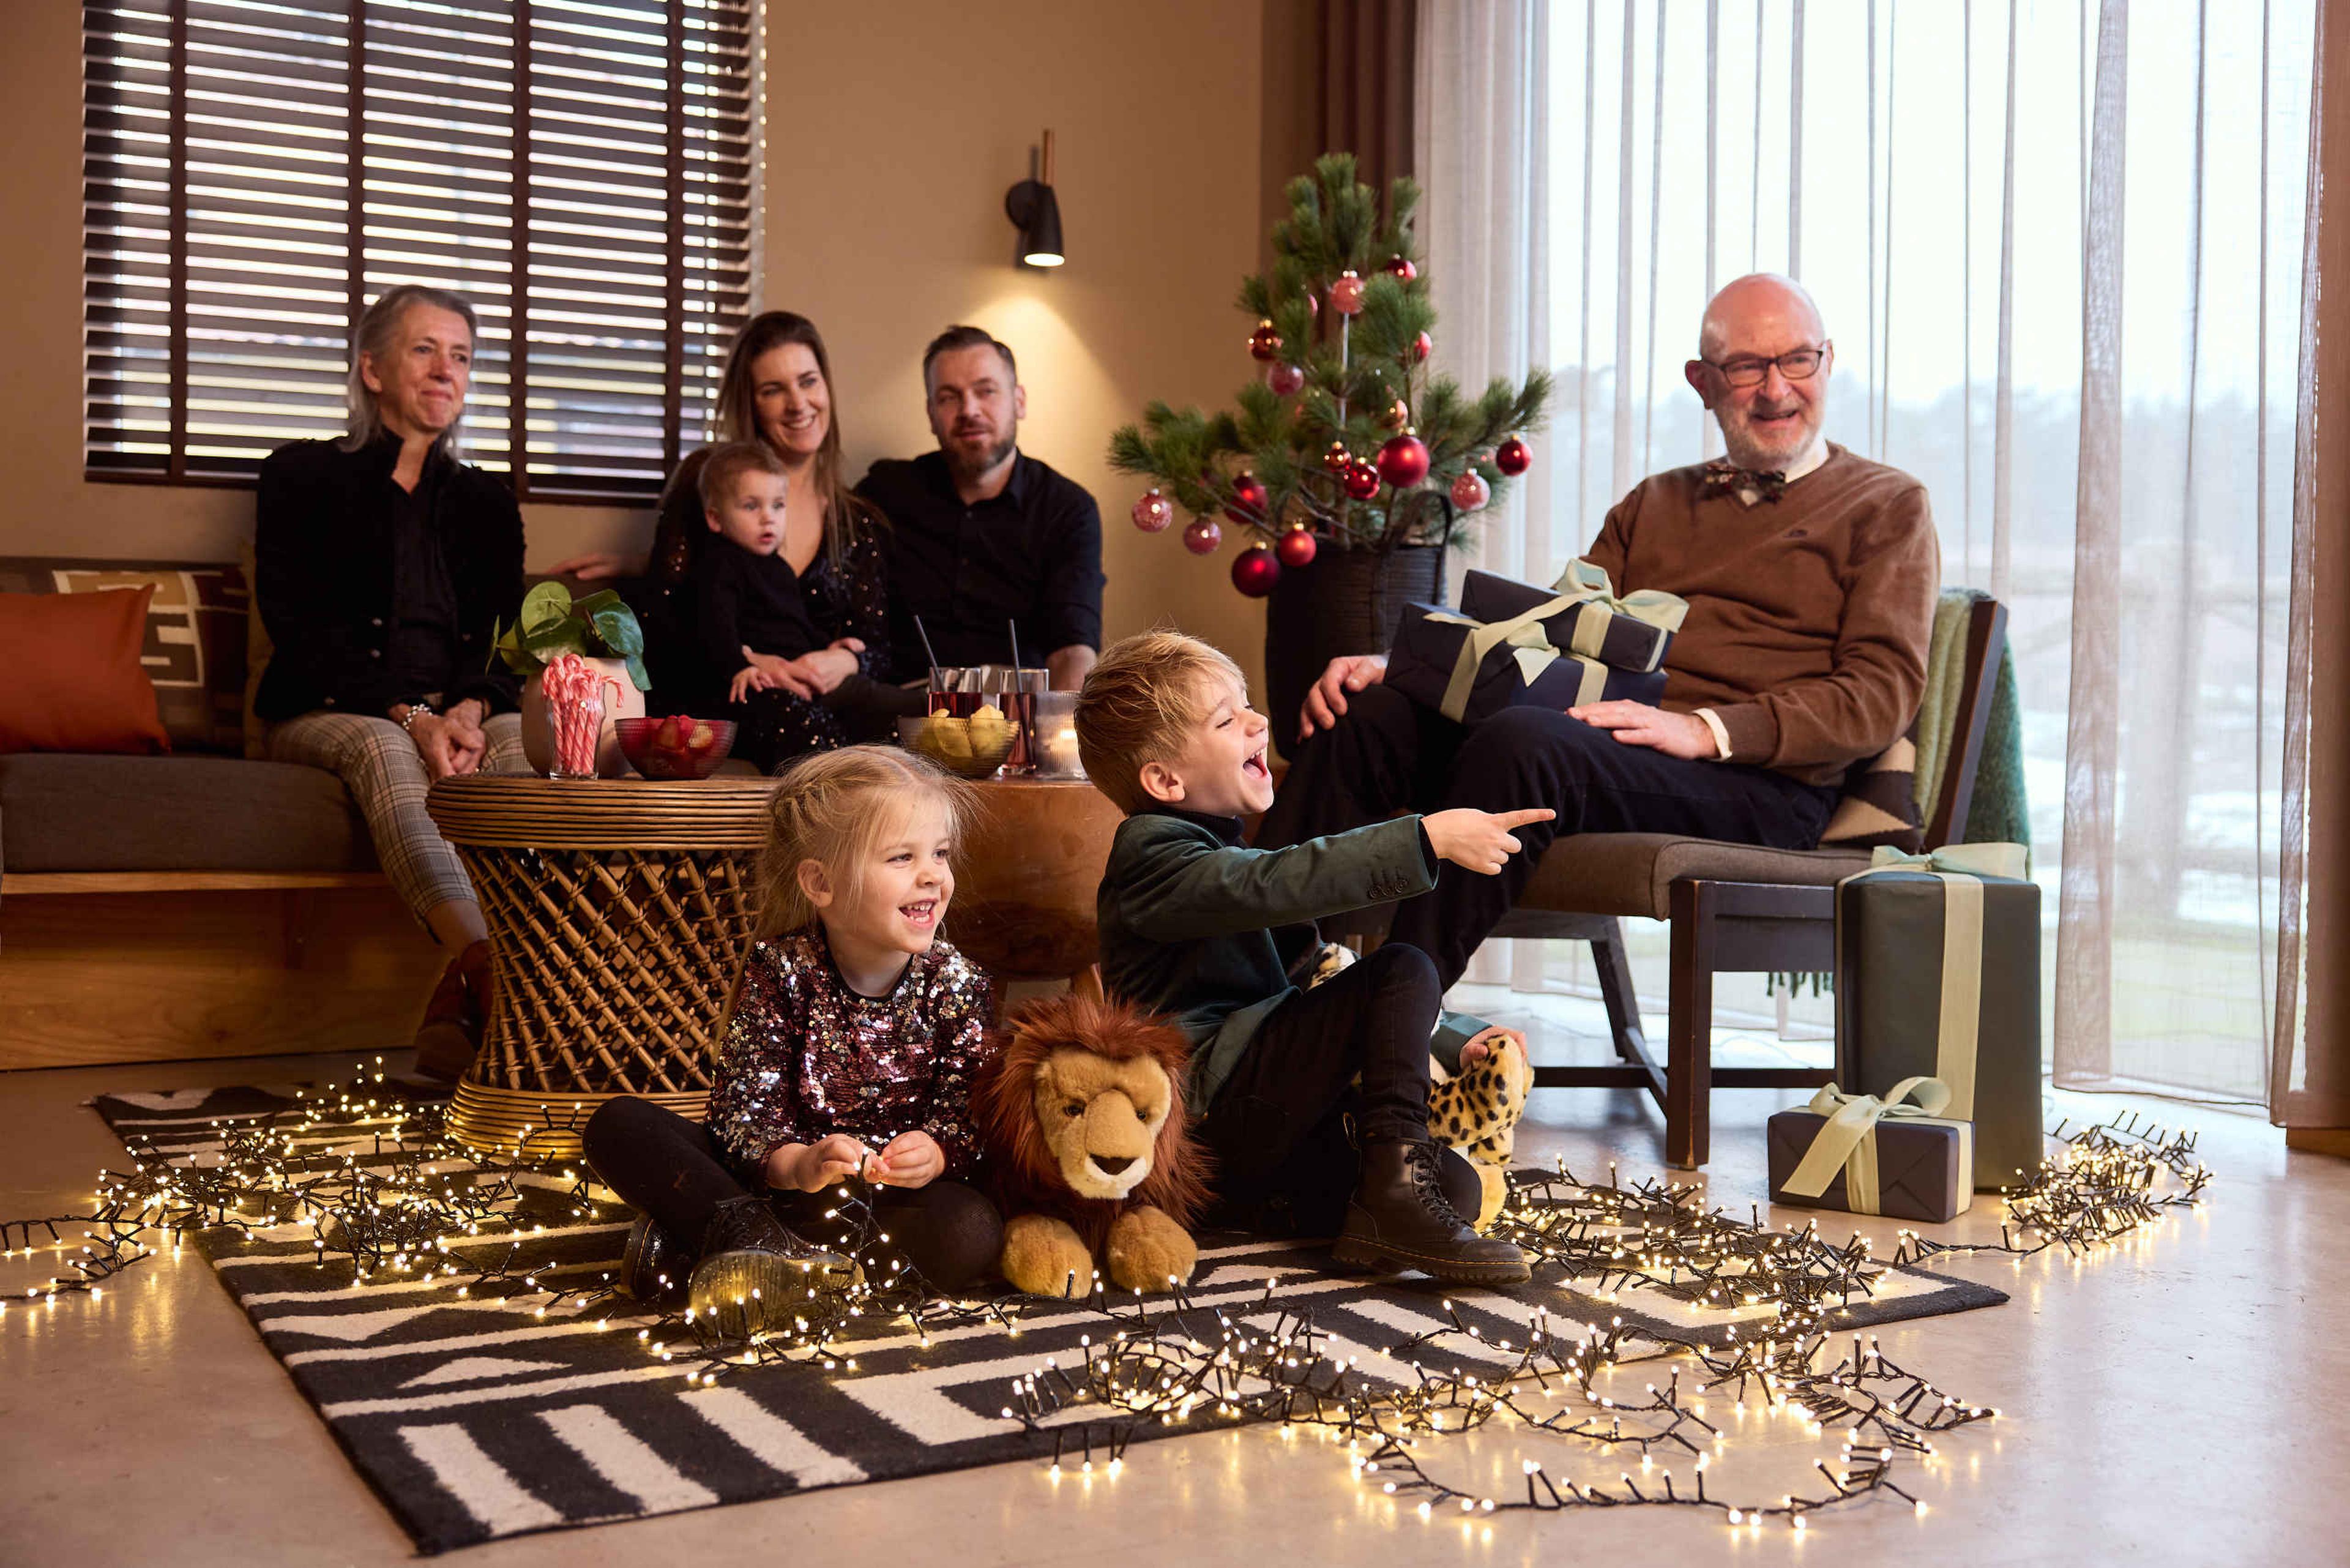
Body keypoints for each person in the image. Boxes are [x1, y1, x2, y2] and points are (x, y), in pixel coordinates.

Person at [1258, 274, 1941, 988]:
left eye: (1797, 359)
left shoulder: (1887, 505)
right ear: (1703, 382)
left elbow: (1879, 693)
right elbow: (1550, 633)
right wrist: (1401, 665)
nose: (1776, 388)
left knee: (1525, 742)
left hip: (1762, 784)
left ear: (1826, 363)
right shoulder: (1655, 503)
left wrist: (1707, 729)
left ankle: (1383, 1023)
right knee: (1368, 717)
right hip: (1609, 748)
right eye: (1746, 368)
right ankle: (1239, 1000)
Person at [1076, 632, 1547, 1286]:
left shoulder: (1224, 852)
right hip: (1202, 1117)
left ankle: (1334, 1202)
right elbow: (1275, 882)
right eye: (1228, 719)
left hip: (1257, 1120)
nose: (1258, 722)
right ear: (1165, 780)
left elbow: (1324, 973)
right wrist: (1426, 837)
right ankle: (1392, 1201)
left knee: (1459, 1188)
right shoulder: (1150, 858)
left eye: (1248, 706)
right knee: (1405, 964)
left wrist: (1456, 1036)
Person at [581, 747, 1005, 1334]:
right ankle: (755, 1243)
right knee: (618, 1124)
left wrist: (936, 1151)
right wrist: (797, 1163)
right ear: (821, 883)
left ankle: (711, 1250)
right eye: (902, 857)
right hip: (776, 1187)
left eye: (939, 854)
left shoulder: (959, 983)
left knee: (972, 1230)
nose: (933, 874)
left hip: (877, 1205)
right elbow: (741, 1111)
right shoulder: (782, 971)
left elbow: (971, 1112)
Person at [253, 283, 525, 1080]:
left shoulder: (485, 501)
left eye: (463, 356)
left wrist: (471, 708)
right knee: (387, 751)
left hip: (458, 708)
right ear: (373, 369)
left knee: (524, 754)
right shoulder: (299, 477)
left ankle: (471, 1002)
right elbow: (297, 627)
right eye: (425, 349)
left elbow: (502, 634)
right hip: (331, 706)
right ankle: (492, 977)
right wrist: (414, 716)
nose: (448, 370)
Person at [550, 312, 900, 737]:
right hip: (733, 693)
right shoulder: (707, 479)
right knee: (803, 726)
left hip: (829, 698)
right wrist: (748, 661)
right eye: (774, 390)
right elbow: (667, 612)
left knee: (911, 729)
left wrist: (845, 661)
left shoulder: (858, 521)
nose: (798, 404)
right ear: (751, 403)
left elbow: (879, 647)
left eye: (808, 381)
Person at [857, 326, 1105, 690]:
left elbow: (1072, 650)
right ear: (930, 414)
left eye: (986, 391)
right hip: (899, 718)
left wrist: (1063, 735)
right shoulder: (885, 494)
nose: (969, 410)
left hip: (1016, 717)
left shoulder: (1067, 509)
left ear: (1019, 401)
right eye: (949, 397)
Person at [679, 441, 860, 770]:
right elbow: (714, 625)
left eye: (777, 506)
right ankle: (830, 775)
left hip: (801, 672)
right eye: (751, 507)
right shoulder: (721, 564)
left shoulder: (778, 568)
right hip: (752, 682)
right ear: (716, 519)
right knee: (796, 722)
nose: (768, 519)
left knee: (877, 702)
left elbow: (795, 626)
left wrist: (830, 645)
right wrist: (740, 666)